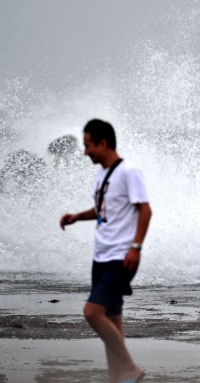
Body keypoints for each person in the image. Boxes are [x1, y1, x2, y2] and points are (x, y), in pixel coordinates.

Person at [60, 119, 151, 383]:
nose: (85, 151)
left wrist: (136, 247)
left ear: (103, 143)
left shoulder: (129, 172)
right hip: (100, 257)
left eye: (88, 145)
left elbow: (145, 210)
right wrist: (77, 216)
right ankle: (118, 378)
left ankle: (130, 367)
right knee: (112, 321)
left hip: (120, 258)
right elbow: (103, 211)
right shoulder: (102, 174)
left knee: (92, 312)